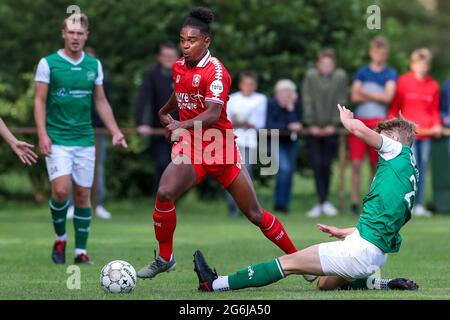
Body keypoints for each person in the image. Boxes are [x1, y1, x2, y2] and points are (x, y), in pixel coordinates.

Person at [137, 7, 298, 279]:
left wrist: (179, 124)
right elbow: (181, 93)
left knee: (255, 214)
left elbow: (212, 113)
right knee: (164, 192)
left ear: (206, 41)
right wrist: (165, 111)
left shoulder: (217, 72)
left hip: (220, 148)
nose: (186, 45)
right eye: (182, 40)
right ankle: (165, 257)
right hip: (191, 146)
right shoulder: (178, 66)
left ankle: (298, 258)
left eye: (192, 41)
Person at [193, 104, 419, 292]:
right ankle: (386, 283)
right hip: (376, 255)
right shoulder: (410, 171)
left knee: (288, 264)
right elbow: (386, 220)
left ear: (395, 138)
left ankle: (214, 284)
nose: (378, 142)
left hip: (359, 252)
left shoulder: (397, 151)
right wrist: (346, 232)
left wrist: (347, 119)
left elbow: (357, 129)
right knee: (324, 283)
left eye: (383, 137)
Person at [34, 13, 127, 265]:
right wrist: (42, 134)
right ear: (63, 33)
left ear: (86, 36)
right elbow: (39, 100)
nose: (75, 37)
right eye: (71, 32)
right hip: (57, 139)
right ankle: (61, 237)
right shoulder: (48, 63)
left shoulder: (93, 65)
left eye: (80, 33)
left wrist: (116, 131)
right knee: (61, 191)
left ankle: (80, 252)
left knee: (83, 194)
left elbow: (100, 101)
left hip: (85, 140)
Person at [388, 48, 441, 217]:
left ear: (429, 66)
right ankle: (405, 204)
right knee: (408, 168)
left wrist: (437, 125)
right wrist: (391, 126)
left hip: (426, 135)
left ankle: (419, 204)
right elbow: (395, 107)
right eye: (418, 64)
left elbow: (434, 110)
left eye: (425, 64)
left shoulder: (433, 85)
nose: (422, 67)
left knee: (422, 168)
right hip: (407, 135)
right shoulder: (402, 82)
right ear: (412, 65)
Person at [349, 36, 397, 215]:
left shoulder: (390, 73)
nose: (379, 56)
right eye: (377, 52)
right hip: (361, 121)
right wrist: (376, 93)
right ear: (371, 52)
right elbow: (354, 97)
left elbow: (387, 97)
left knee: (374, 164)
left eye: (383, 52)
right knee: (355, 162)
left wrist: (364, 92)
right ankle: (354, 201)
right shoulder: (362, 72)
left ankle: (370, 200)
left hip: (379, 125)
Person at [67, 46, 113, 220]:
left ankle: (98, 205)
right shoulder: (71, 80)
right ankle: (72, 205)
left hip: (97, 131)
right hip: (75, 130)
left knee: (97, 168)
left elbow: (104, 105)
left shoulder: (102, 83)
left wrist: (109, 128)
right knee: (72, 166)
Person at [302, 48, 348, 218]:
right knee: (316, 164)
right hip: (314, 129)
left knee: (326, 165)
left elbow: (341, 99)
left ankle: (325, 201)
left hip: (331, 129)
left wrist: (334, 124)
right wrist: (311, 123)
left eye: (329, 63)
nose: (326, 66)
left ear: (334, 64)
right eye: (323, 63)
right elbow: (307, 100)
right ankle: (320, 202)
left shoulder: (340, 76)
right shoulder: (311, 76)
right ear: (318, 64)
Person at [136, 42, 179, 193]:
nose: (168, 59)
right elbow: (143, 99)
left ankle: (174, 198)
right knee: (162, 163)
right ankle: (161, 196)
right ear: (159, 57)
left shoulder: (185, 74)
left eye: (172, 56)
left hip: (182, 129)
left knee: (178, 164)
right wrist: (142, 123)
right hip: (159, 129)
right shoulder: (151, 75)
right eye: (165, 56)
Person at [225, 71, 267, 217]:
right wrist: (237, 123)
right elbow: (226, 120)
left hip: (249, 142)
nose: (248, 87)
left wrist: (247, 123)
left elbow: (259, 123)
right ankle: (232, 206)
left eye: (251, 84)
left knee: (245, 172)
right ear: (240, 84)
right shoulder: (232, 99)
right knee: (231, 174)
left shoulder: (260, 99)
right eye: (246, 84)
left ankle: (246, 206)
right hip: (233, 141)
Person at [266, 79, 302, 214]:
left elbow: (297, 124)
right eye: (282, 92)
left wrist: (291, 109)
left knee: (289, 172)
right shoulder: (271, 104)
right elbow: (269, 124)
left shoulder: (295, 105)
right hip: (274, 140)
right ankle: (279, 202)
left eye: (289, 92)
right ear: (277, 93)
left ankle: (284, 205)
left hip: (291, 142)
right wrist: (287, 126)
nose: (285, 95)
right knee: (285, 169)